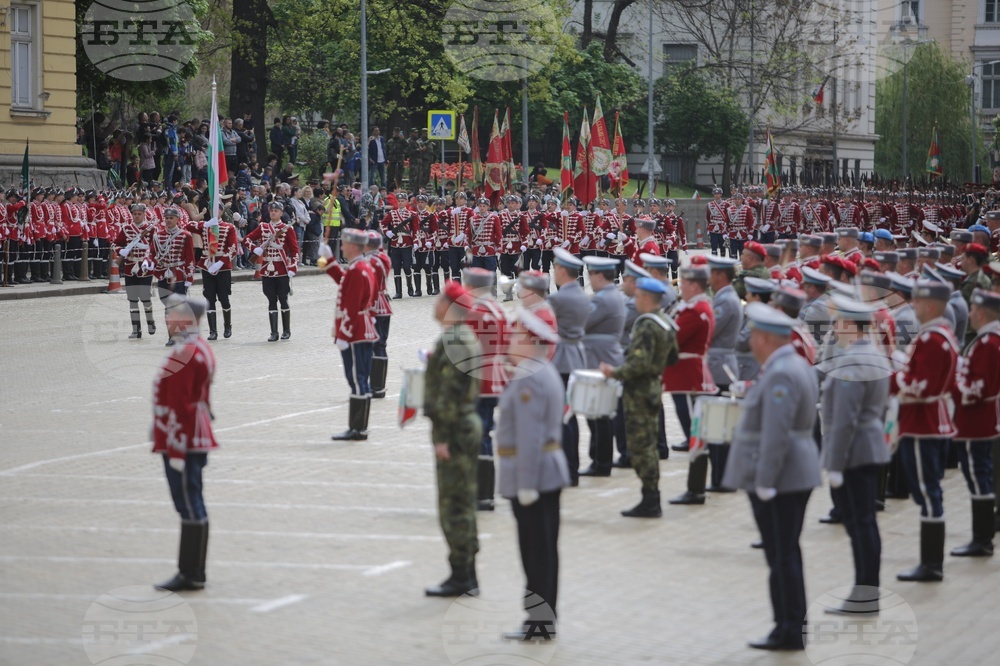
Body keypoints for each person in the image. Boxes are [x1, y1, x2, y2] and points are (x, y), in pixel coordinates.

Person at [723, 302, 821, 651]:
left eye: (754, 336)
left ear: (765, 339)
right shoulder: (791, 364)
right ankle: (791, 623)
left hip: (783, 476)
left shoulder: (780, 372)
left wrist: (764, 478)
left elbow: (777, 432)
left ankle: (789, 628)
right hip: (793, 471)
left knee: (781, 556)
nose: (750, 342)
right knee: (785, 553)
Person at [496, 309, 570, 642]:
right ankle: (542, 621)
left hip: (534, 478)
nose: (510, 341)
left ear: (529, 341)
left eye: (515, 336)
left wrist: (525, 484)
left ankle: (538, 623)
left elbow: (530, 437)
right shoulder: (542, 371)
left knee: (536, 552)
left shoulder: (529, 377)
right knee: (544, 550)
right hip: (545, 474)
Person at [819, 295, 892, 614]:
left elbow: (844, 420)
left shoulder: (851, 362)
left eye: (838, 323)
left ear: (850, 325)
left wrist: (834, 464)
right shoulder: (874, 355)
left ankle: (865, 594)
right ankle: (867, 590)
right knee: (865, 523)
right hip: (870, 445)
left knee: (860, 523)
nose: (835, 329)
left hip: (854, 451)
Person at [891, 279, 958, 582]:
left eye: (917, 301)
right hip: (932, 418)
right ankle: (930, 562)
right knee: (928, 490)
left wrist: (896, 377)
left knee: (927, 492)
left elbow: (922, 385)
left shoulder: (932, 338)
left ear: (930, 305)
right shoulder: (940, 334)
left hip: (923, 421)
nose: (913, 306)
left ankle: (931, 563)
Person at [152, 295, 218, 592]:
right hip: (192, 431)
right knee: (192, 500)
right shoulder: (197, 347)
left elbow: (180, 404)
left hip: (185, 435)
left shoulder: (185, 353)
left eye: (173, 314)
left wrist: (175, 447)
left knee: (189, 501)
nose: (168, 319)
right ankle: (192, 570)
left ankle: (191, 571)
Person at [423, 280, 483, 597]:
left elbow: (448, 395)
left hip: (455, 430)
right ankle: (466, 573)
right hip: (461, 426)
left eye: (439, 299)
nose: (435, 304)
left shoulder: (455, 340)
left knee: (454, 504)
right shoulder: (459, 337)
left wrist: (442, 437)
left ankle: (462, 575)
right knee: (462, 501)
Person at [601, 277, 677, 518]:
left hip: (639, 391)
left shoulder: (646, 325)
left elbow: (637, 364)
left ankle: (650, 499)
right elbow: (673, 357)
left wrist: (614, 372)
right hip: (654, 385)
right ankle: (650, 496)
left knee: (641, 446)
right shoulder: (665, 322)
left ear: (646, 298)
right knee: (649, 444)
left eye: (638, 296)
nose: (635, 301)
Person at [950, 289, 1000, 557]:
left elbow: (977, 390)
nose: (969, 314)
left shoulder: (988, 344)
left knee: (978, 478)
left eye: (972, 310)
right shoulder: (990, 341)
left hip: (976, 422)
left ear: (980, 312)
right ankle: (982, 537)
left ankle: (982, 540)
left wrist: (952, 383)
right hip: (982, 421)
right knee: (979, 477)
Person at [320, 228, 377, 441]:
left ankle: (358, 428)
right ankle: (358, 427)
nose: (341, 246)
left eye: (343, 244)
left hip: (355, 331)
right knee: (358, 378)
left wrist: (344, 335)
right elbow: (343, 281)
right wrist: (326, 260)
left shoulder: (358, 269)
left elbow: (352, 305)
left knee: (356, 378)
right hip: (361, 329)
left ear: (353, 246)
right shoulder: (359, 266)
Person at [463, 267, 511, 510]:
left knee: (478, 436)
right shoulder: (497, 309)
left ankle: (482, 493)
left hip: (479, 380)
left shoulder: (475, 313)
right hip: (496, 379)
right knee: (485, 433)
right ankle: (485, 491)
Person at [579, 256, 626, 478]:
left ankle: (601, 462)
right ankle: (600, 459)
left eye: (591, 275)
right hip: (604, 354)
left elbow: (582, 321)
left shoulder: (602, 299)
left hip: (600, 357)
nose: (590, 280)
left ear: (599, 275)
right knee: (599, 413)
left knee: (599, 414)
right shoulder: (613, 294)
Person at [548, 248, 589, 486]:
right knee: (569, 415)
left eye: (555, 268)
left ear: (562, 271)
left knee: (561, 417)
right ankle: (572, 468)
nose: (554, 272)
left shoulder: (559, 298)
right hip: (576, 356)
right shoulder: (582, 294)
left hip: (561, 358)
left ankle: (568, 469)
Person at [244, 201, 299, 341]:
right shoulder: (263, 227)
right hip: (267, 269)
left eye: (276, 210)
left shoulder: (287, 229)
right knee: (271, 299)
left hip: (281, 269)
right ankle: (273, 332)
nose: (273, 212)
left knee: (283, 299)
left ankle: (286, 330)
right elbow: (246, 239)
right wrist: (254, 249)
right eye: (271, 210)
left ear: (281, 213)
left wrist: (293, 266)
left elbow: (294, 250)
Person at [150, 208, 196, 347]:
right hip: (163, 274)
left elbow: (190, 258)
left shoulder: (185, 236)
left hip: (179, 275)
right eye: (167, 218)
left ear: (177, 219)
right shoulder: (158, 236)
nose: (169, 220)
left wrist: (189, 278)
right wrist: (148, 264)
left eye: (171, 218)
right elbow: (152, 253)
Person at [115, 203, 158, 339]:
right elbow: (115, 243)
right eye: (135, 214)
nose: (137, 216)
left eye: (139, 214)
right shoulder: (126, 228)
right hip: (130, 266)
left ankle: (150, 322)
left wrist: (150, 260)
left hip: (145, 268)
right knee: (132, 299)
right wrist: (120, 250)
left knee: (145, 298)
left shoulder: (151, 229)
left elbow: (156, 247)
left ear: (144, 214)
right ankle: (136, 330)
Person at [366, 232, 393, 399]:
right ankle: (378, 386)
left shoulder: (371, 261)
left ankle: (376, 386)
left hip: (374, 305)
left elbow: (370, 285)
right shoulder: (383, 257)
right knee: (381, 345)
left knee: (374, 345)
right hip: (384, 303)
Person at [380, 193, 417, 298]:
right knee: (396, 267)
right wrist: (387, 232)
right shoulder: (392, 213)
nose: (400, 202)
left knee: (406, 267)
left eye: (403, 201)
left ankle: (410, 287)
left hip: (406, 243)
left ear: (406, 202)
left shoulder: (411, 214)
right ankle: (398, 292)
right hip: (395, 243)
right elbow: (382, 224)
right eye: (399, 201)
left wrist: (415, 242)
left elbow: (415, 229)